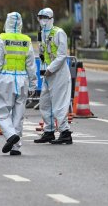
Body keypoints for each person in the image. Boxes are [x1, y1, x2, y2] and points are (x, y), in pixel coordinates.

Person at [0, 12, 37, 155]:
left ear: (7, 23)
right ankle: (16, 147)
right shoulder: (26, 40)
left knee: (2, 112)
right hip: (22, 80)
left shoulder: (2, 39)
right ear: (20, 24)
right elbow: (31, 65)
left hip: (5, 79)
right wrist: (33, 84)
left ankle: (10, 135)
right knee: (18, 115)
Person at [34, 8, 73, 144]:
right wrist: (44, 70)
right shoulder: (41, 34)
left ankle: (65, 132)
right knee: (44, 103)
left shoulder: (59, 33)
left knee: (59, 104)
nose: (41, 20)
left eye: (44, 17)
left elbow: (62, 55)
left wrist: (50, 69)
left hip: (59, 73)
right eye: (39, 17)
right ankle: (49, 131)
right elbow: (42, 53)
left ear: (50, 18)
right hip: (47, 74)